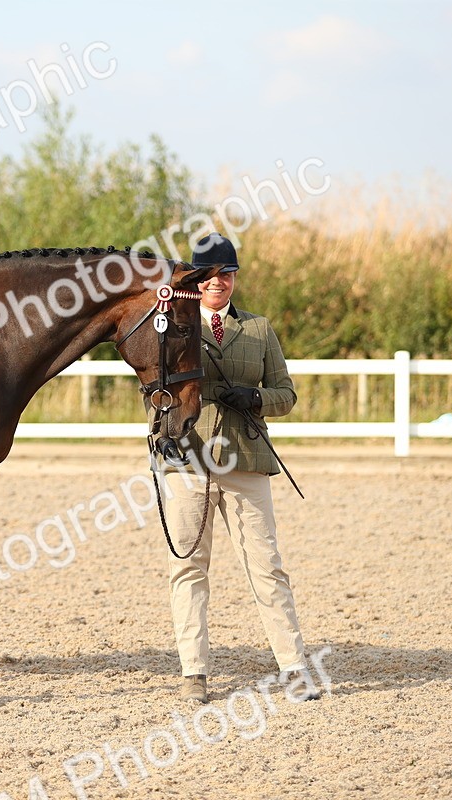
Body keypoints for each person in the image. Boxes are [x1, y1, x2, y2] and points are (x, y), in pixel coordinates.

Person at [161, 232, 319, 704]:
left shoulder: (259, 329)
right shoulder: (172, 325)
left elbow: (286, 395)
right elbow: (156, 388)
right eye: (210, 275)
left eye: (227, 275)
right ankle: (194, 672)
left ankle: (292, 666)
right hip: (188, 460)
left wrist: (254, 398)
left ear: (233, 279)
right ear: (196, 280)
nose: (219, 283)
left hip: (245, 461)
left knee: (267, 567)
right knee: (188, 567)